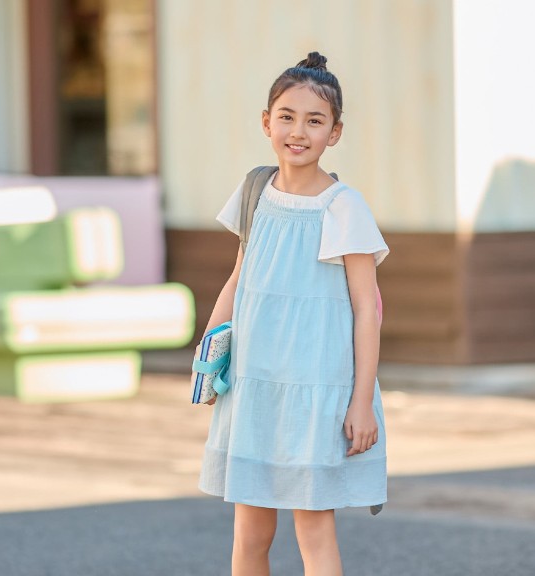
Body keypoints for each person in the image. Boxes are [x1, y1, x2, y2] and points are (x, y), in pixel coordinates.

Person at [198, 51, 389, 576]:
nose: (298, 131)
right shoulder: (255, 193)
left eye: (315, 120)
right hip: (255, 388)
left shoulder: (344, 206)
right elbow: (238, 280)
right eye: (287, 116)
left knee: (314, 532)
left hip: (318, 393)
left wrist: (361, 403)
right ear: (267, 122)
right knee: (250, 535)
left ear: (335, 132)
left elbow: (366, 311)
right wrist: (208, 359)